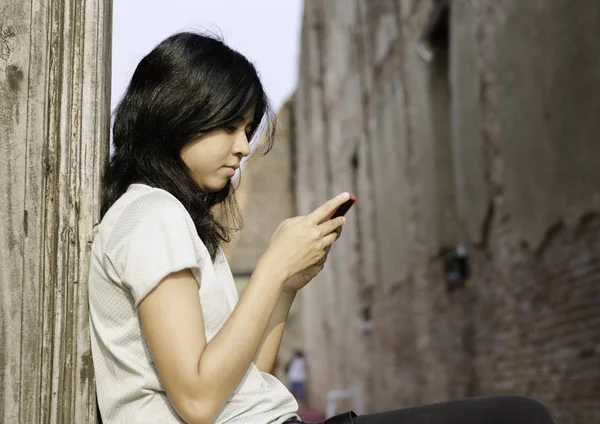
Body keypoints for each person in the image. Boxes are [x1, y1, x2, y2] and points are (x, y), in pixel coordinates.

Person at [88, 32, 557, 424]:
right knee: (519, 417)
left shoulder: (174, 221)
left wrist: (286, 286)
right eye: (229, 127)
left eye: (247, 129)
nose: (243, 148)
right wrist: (271, 266)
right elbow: (197, 401)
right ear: (175, 114)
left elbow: (243, 379)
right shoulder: (151, 214)